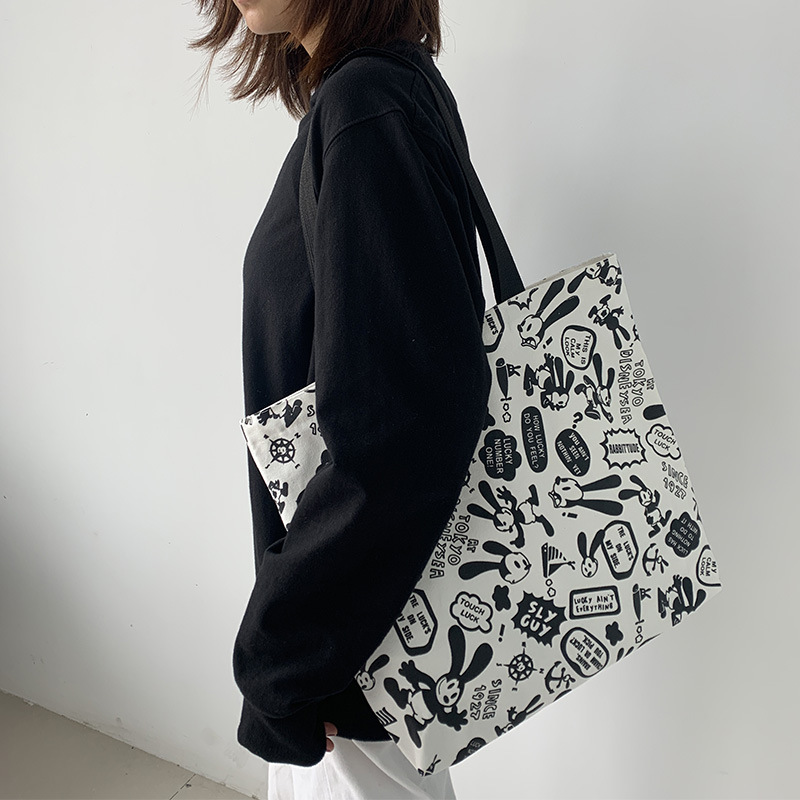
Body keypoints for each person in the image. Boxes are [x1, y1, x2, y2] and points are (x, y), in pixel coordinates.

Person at [189, 1, 492, 797]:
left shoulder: (363, 108)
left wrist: (281, 661)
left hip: (351, 655)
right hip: (357, 633)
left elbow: (403, 429)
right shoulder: (379, 92)